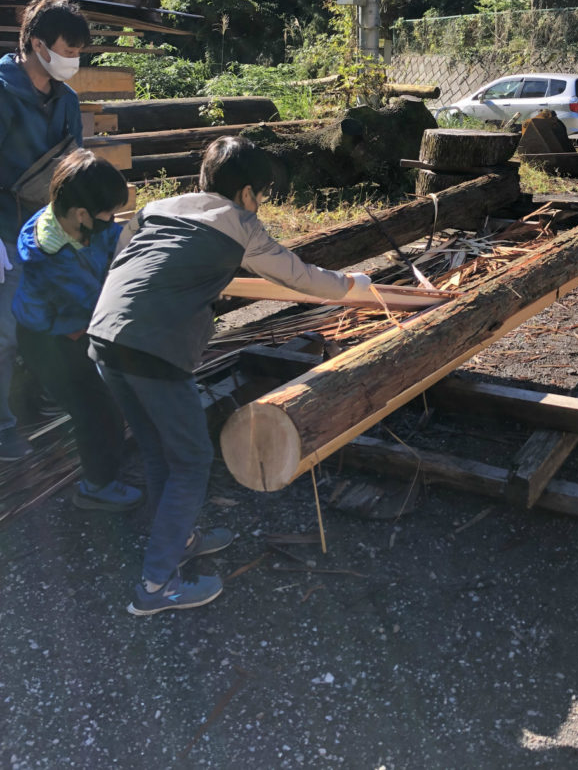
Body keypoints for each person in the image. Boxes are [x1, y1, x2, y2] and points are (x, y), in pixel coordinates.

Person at [87, 135, 372, 616]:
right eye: (260, 194)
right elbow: (296, 276)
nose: (259, 204)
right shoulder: (240, 225)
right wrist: (350, 285)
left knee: (160, 450)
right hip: (154, 350)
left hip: (105, 336)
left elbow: (127, 261)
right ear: (246, 193)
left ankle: (179, 540)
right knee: (192, 460)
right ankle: (156, 587)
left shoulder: (159, 206)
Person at [13, 150, 142, 511]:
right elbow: (97, 303)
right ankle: (96, 488)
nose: (112, 221)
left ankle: (106, 469)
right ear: (81, 214)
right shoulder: (48, 254)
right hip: (49, 341)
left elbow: (116, 241)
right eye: (107, 214)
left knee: (105, 401)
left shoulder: (81, 225)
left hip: (75, 328)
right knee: (96, 411)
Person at [0, 0, 89, 462]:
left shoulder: (66, 99)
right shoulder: (1, 93)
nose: (73, 61)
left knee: (61, 319)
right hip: (5, 232)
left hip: (49, 232)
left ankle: (44, 398)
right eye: (67, 50)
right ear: (37, 43)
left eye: (78, 53)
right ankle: (3, 428)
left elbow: (77, 168)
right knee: (3, 333)